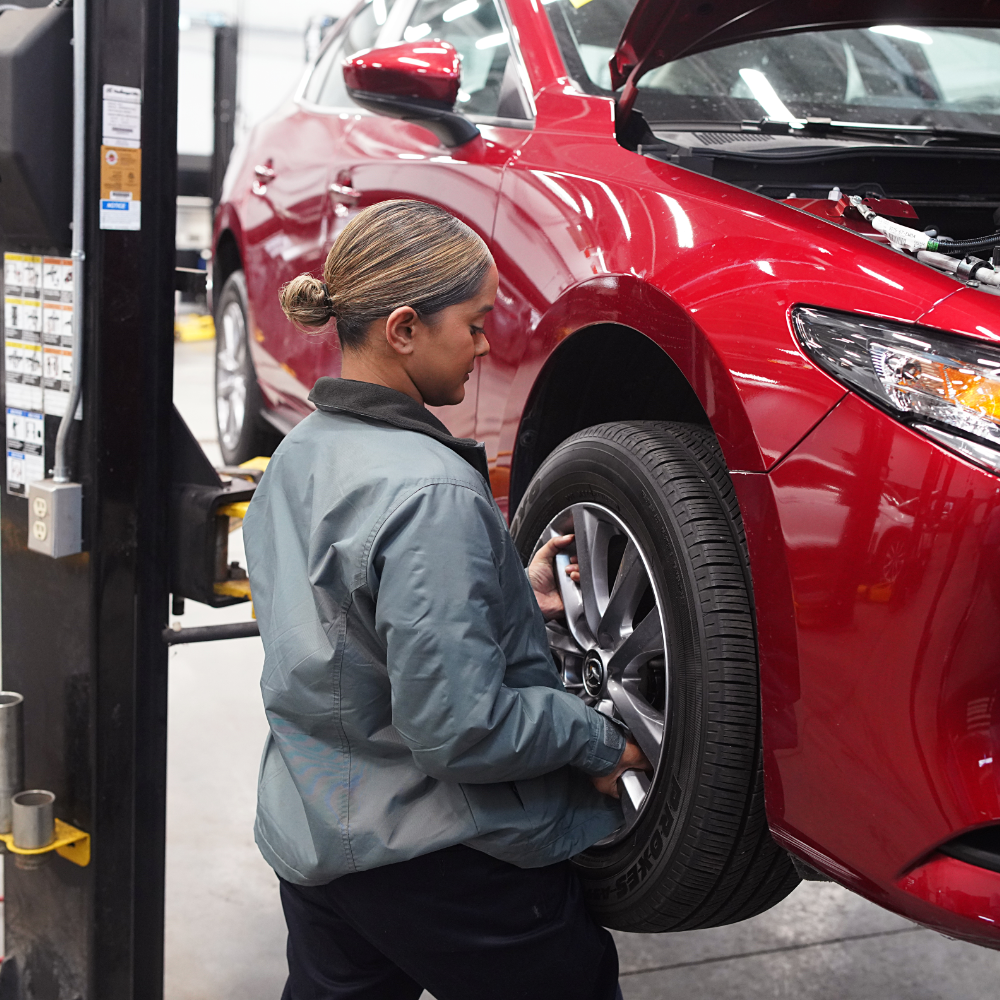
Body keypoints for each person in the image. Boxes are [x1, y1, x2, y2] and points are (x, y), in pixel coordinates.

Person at [243, 200, 649, 1000]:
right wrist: (598, 743)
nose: (485, 344)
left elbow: (347, 632)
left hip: (320, 834)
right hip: (445, 862)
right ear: (403, 328)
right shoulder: (429, 490)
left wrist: (504, 594)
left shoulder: (300, 454)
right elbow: (462, 729)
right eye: (474, 321)